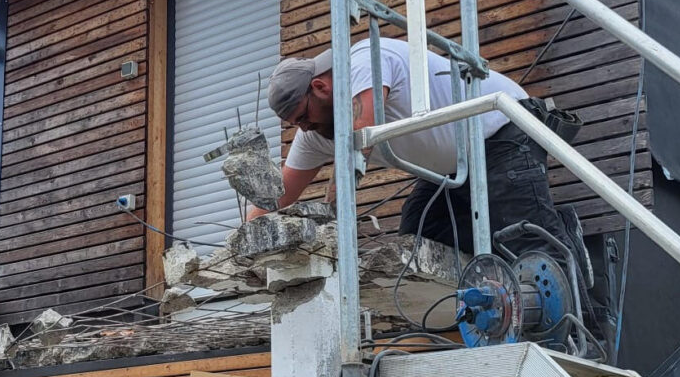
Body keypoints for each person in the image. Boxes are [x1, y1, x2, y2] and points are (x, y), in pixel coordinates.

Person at [257, 37, 606, 344]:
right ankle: (503, 292)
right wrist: (249, 246)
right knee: (420, 238)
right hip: (450, 167)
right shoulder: (317, 130)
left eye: (303, 117)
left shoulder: (365, 60)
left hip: (501, 130)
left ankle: (582, 335)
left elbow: (359, 137)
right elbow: (275, 197)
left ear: (320, 87)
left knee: (528, 236)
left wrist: (331, 221)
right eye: (294, 125)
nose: (302, 128)